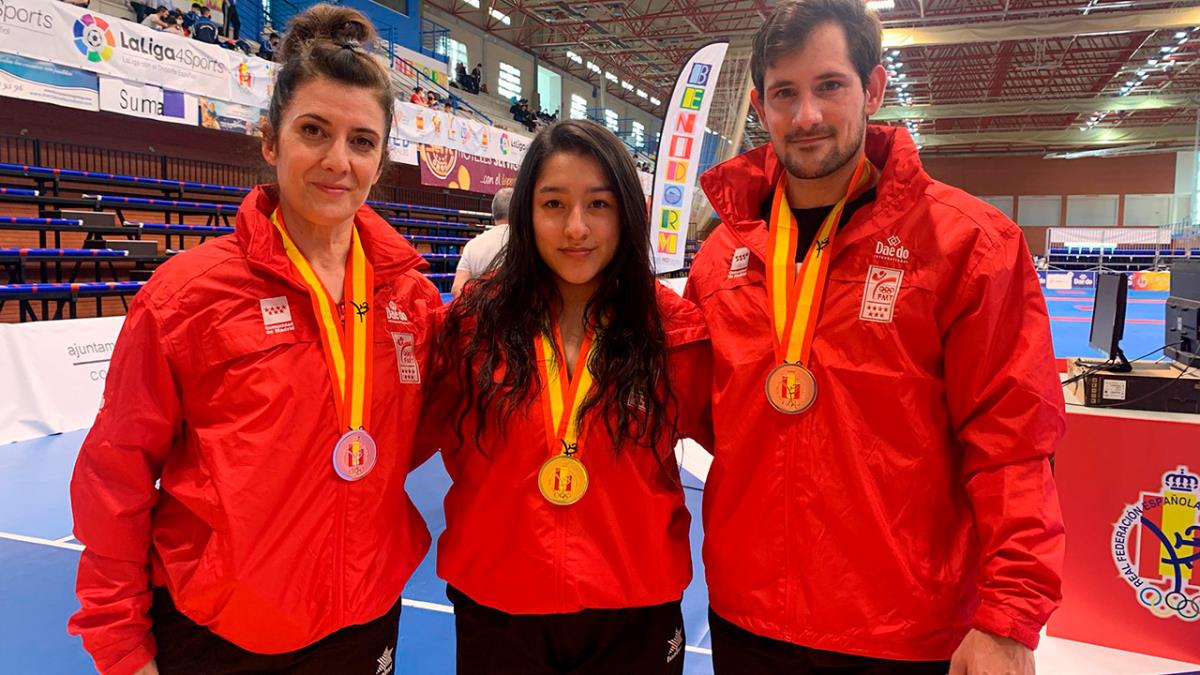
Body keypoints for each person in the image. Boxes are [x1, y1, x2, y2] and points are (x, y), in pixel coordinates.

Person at [684, 1, 1066, 674]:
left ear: (876, 89)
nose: (806, 116)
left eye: (830, 86)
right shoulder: (722, 257)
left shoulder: (967, 245)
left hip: (900, 630)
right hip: (748, 617)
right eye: (785, 93)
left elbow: (1013, 444)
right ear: (757, 105)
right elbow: (694, 413)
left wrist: (1008, 619)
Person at [68, 6, 440, 675]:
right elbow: (114, 473)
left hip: (364, 618)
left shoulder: (410, 300)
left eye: (362, 141)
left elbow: (434, 425)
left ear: (381, 160)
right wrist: (120, 642)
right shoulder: (188, 295)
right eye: (313, 131)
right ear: (270, 141)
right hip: (218, 632)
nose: (337, 160)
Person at [421, 119, 713, 674]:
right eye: (554, 204)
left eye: (599, 205)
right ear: (527, 215)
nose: (576, 227)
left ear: (627, 213)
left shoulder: (673, 332)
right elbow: (396, 440)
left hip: (635, 611)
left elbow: (752, 454)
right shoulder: (472, 325)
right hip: (498, 605)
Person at [451, 187, 512, 297]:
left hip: (482, 309)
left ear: (494, 213)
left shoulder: (472, 245)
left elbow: (457, 289)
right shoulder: (530, 242)